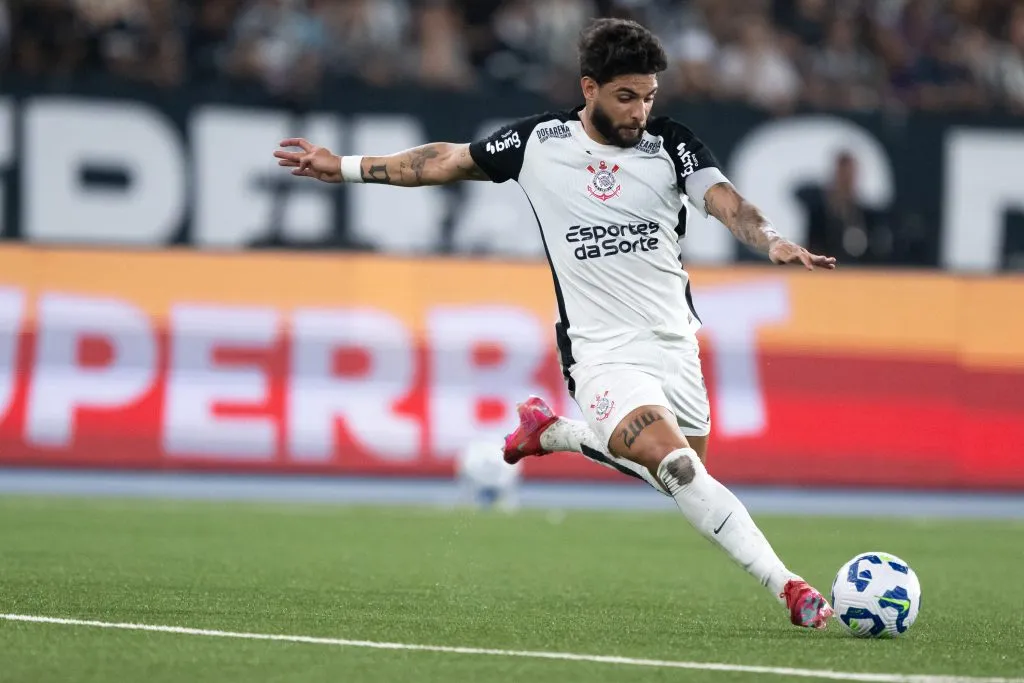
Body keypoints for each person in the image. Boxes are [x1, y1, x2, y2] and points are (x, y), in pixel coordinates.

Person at [274, 17, 838, 629]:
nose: (639, 111)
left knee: (682, 476)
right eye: (627, 96)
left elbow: (729, 202)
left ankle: (554, 433)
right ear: (589, 87)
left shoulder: (672, 144)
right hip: (601, 353)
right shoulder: (537, 143)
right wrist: (349, 167)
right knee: (676, 467)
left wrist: (773, 239)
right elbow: (442, 161)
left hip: (675, 345)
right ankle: (792, 589)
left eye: (649, 96)